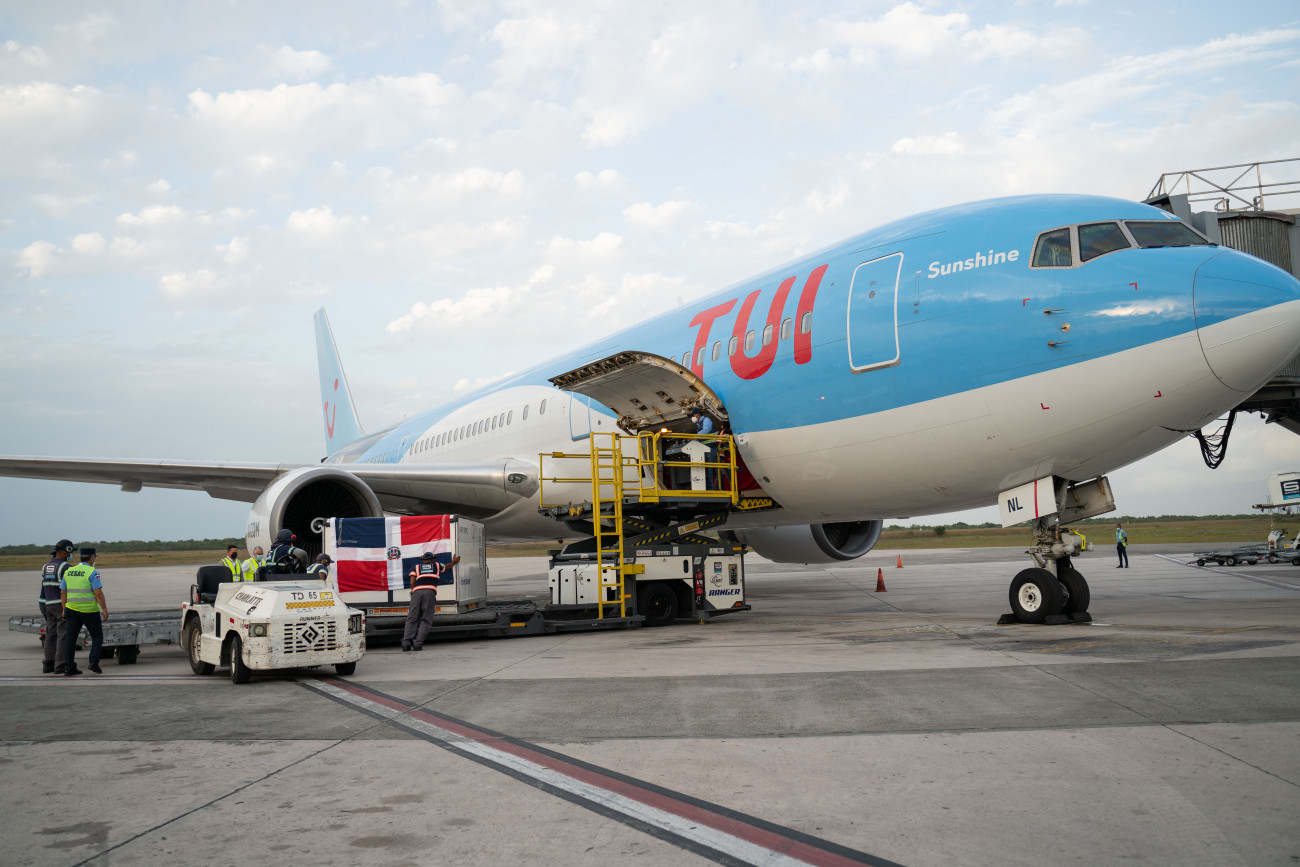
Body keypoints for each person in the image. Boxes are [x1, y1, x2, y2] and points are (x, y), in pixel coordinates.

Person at [61, 548, 109, 676]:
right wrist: (104, 609)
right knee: (97, 636)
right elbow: (98, 593)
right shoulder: (92, 572)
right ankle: (93, 662)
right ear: (92, 558)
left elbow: (63, 592)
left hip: (71, 610)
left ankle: (69, 667)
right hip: (89, 611)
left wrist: (64, 609)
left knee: (70, 639)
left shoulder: (69, 571)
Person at [402, 551, 461, 652]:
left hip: (417, 593)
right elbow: (447, 566)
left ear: (423, 560)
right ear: (433, 559)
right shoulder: (437, 565)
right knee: (426, 619)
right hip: (429, 593)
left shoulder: (416, 567)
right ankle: (417, 644)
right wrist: (454, 562)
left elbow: (412, 582)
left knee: (412, 618)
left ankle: (406, 644)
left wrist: (414, 591)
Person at [39, 539, 74, 674]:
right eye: (70, 551)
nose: (70, 555)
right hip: (60, 605)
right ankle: (60, 664)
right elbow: (68, 588)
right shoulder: (65, 567)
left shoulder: (45, 566)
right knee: (63, 635)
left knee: (50, 634)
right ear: (66, 551)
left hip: (48, 605)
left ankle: (48, 664)